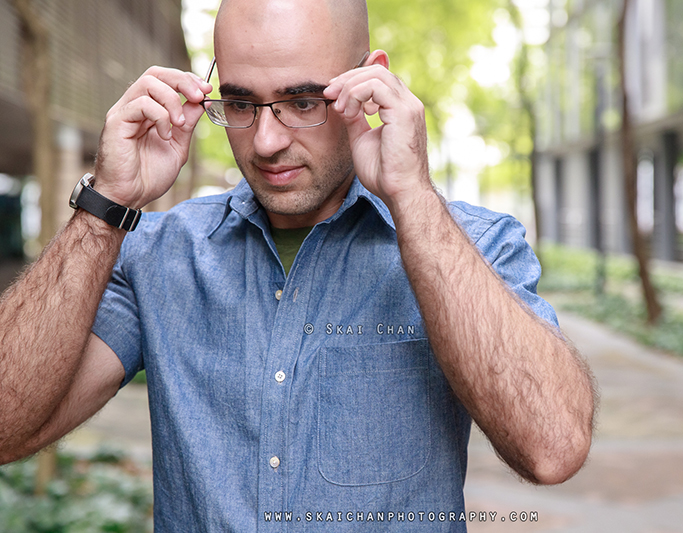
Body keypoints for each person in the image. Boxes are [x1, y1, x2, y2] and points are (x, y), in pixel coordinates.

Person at [0, 0, 596, 530]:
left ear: (371, 84)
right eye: (239, 103)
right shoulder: (156, 253)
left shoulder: (476, 246)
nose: (264, 142)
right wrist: (105, 205)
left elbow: (552, 448)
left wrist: (411, 199)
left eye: (302, 101)